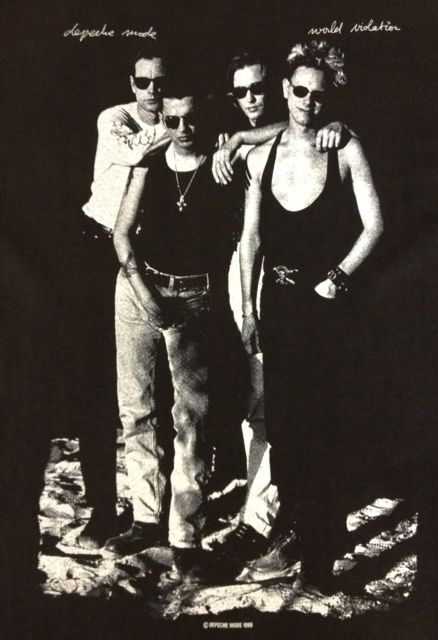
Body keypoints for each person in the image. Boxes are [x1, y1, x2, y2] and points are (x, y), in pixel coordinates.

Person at [239, 40, 383, 589]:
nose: (308, 102)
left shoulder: (344, 147)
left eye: (318, 95)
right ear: (284, 90)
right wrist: (249, 309)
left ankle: (320, 560)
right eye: (299, 91)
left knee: (322, 430)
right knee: (286, 429)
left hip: (324, 312)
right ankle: (298, 533)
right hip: (277, 307)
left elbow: (376, 225)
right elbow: (252, 239)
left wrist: (338, 277)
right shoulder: (262, 156)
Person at [213, 51, 353, 566]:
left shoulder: (296, 129)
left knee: (285, 409)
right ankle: (264, 515)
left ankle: (269, 520)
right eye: (240, 92)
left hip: (289, 277)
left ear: (275, 88)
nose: (250, 98)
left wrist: (338, 124)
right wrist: (233, 139)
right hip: (244, 273)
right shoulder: (226, 136)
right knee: (257, 403)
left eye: (257, 87)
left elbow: (304, 127)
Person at [106, 75, 240, 583]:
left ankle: (185, 536)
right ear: (162, 118)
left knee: (192, 418)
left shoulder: (224, 165)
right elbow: (121, 234)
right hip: (138, 289)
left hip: (194, 298)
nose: (183, 128)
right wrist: (145, 295)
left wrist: (236, 140)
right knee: (137, 407)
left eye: (192, 119)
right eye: (173, 119)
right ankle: (145, 518)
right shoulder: (151, 162)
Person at [75, 44, 170, 550]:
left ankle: (154, 507)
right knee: (97, 382)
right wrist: (185, 126)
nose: (152, 90)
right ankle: (101, 510)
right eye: (143, 81)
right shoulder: (113, 117)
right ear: (130, 84)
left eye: (161, 81)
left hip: (144, 250)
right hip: (97, 248)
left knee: (153, 385)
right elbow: (136, 152)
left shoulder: (176, 120)